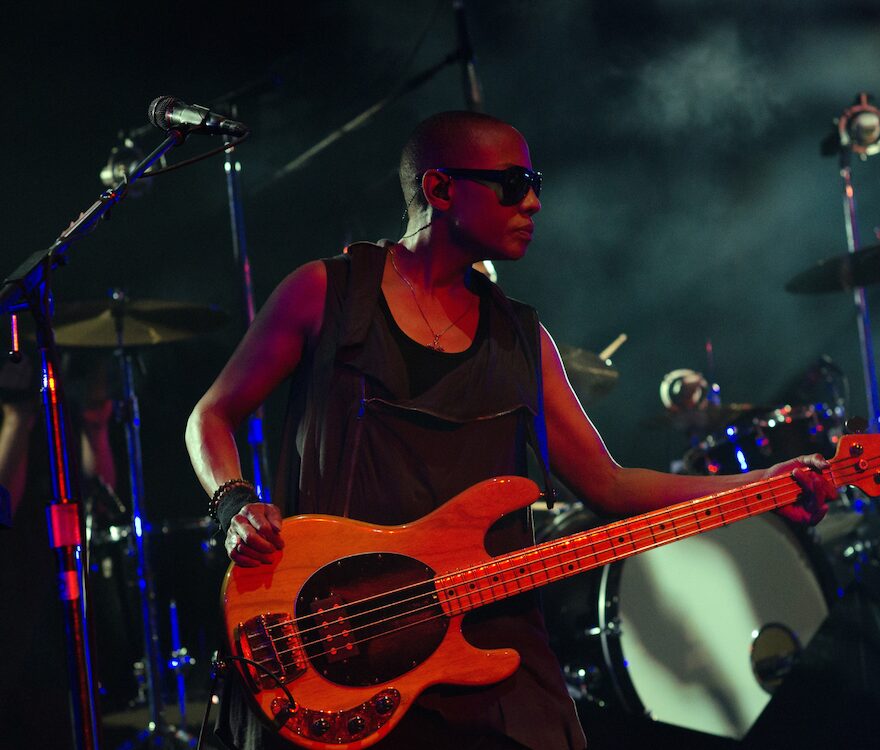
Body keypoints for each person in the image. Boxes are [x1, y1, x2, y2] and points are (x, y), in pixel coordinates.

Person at [185, 110, 836, 750]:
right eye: (512, 185)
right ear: (441, 190)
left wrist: (763, 484)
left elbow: (608, 484)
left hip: (491, 646)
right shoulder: (325, 293)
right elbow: (211, 416)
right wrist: (234, 503)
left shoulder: (524, 338)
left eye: (538, 186)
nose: (533, 204)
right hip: (346, 636)